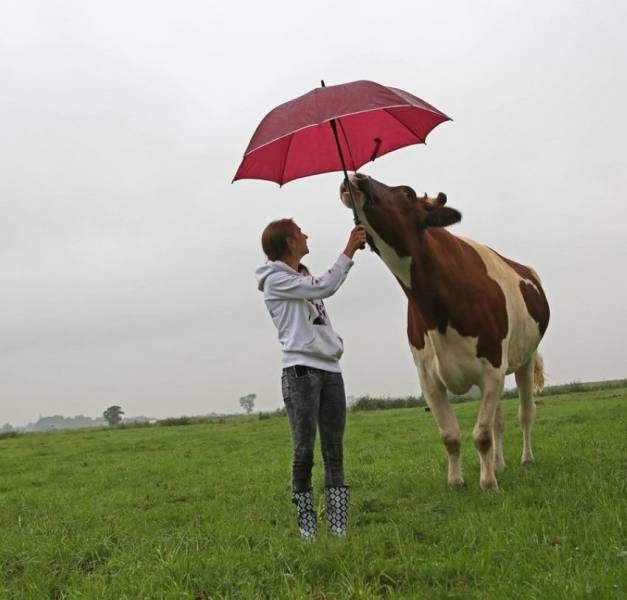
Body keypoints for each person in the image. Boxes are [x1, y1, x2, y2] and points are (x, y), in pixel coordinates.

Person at [255, 219, 367, 540]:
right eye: (300, 232)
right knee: (304, 452)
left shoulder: (301, 276)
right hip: (301, 371)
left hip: (330, 369)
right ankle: (307, 529)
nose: (306, 235)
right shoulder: (276, 280)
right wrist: (349, 249)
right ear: (290, 242)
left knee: (334, 451)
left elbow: (319, 290)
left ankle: (338, 528)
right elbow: (325, 287)